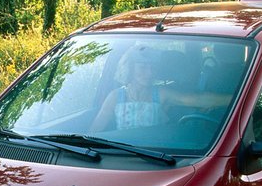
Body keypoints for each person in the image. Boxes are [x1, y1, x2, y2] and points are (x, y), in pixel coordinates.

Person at [92, 46, 229, 131]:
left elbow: (199, 100)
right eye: (143, 67)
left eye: (152, 68)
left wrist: (237, 98)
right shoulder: (115, 97)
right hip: (121, 155)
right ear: (130, 69)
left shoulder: (161, 93)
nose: (149, 73)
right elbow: (93, 132)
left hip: (157, 156)